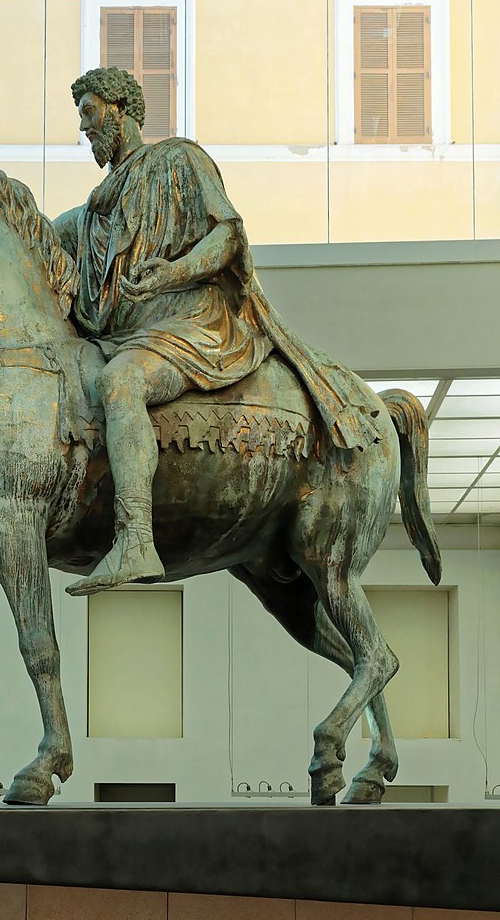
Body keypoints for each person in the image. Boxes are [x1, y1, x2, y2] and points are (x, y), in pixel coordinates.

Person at [57, 67, 381, 596]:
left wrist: (174, 271)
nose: (85, 128)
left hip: (191, 323)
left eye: (90, 113)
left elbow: (228, 235)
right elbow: (41, 246)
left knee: (122, 383)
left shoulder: (179, 160)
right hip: (128, 333)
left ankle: (136, 537)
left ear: (120, 110)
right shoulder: (94, 207)